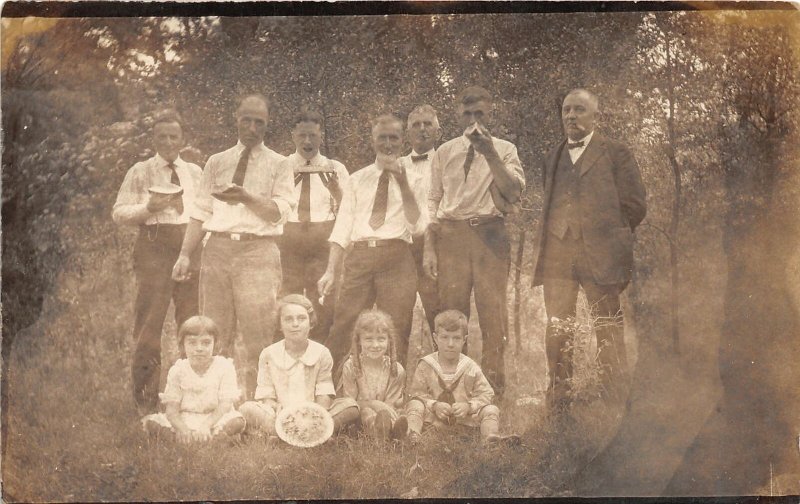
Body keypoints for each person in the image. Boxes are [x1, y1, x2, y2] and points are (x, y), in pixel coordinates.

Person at [171, 94, 294, 399]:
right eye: (246, 120)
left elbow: (278, 212)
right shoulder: (217, 161)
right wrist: (185, 254)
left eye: (259, 122)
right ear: (235, 117)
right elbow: (200, 212)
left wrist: (246, 197)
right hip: (218, 251)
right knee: (213, 331)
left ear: (268, 124)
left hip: (258, 252)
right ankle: (215, 404)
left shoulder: (279, 164)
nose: (252, 128)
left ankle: (259, 404)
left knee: (258, 335)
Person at [531, 88, 646, 408]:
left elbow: (635, 205)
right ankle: (558, 398)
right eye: (566, 110)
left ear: (596, 116)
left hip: (601, 254)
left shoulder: (615, 152)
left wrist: (608, 236)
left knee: (607, 323)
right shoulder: (552, 157)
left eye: (579, 110)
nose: (571, 116)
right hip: (558, 254)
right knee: (557, 326)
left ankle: (611, 395)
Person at [424, 86, 525, 397]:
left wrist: (489, 152)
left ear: (489, 113)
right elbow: (433, 200)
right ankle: (452, 387)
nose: (472, 119)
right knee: (451, 315)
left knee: (493, 313)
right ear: (458, 115)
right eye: (467, 114)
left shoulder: (505, 149)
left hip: (489, 234)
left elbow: (514, 191)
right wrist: (429, 246)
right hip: (451, 237)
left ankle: (492, 391)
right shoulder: (444, 152)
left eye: (479, 113)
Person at [318, 114, 427, 377]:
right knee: (345, 323)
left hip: (397, 257)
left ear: (402, 141)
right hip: (361, 256)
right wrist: (331, 270)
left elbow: (418, 226)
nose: (388, 144)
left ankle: (393, 394)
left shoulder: (415, 179)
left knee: (397, 326)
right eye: (382, 138)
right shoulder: (357, 179)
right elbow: (342, 228)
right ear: (372, 140)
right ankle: (332, 390)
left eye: (393, 138)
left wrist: (401, 182)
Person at [112, 109, 202, 415]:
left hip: (189, 246)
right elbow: (119, 212)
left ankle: (189, 397)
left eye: (173, 136)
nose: (167, 142)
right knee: (150, 324)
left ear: (183, 139)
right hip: (153, 246)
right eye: (161, 136)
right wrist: (147, 208)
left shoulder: (195, 172)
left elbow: (204, 212)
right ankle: (146, 403)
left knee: (192, 323)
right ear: (153, 138)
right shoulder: (140, 171)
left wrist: (195, 248)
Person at [239, 295, 359, 438]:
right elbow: (267, 395)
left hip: (312, 414)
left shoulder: (321, 353)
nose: (295, 324)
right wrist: (277, 409)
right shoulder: (269, 354)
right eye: (288, 319)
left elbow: (324, 393)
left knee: (351, 407)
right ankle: (291, 434)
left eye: (301, 318)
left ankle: (285, 436)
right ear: (280, 325)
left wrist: (313, 415)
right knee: (246, 409)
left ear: (311, 323)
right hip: (280, 415)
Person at [278, 111, 349, 342]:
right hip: (289, 241)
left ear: (321, 136)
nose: (307, 141)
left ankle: (320, 356)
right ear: (293, 136)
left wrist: (337, 192)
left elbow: (349, 210)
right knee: (289, 302)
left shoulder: (335, 168)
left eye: (312, 135)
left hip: (322, 242)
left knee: (324, 303)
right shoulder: (281, 166)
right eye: (302, 135)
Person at [405, 310, 519, 446]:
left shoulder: (470, 366)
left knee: (491, 409)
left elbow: (486, 393)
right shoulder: (426, 365)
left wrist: (469, 406)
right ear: (435, 338)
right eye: (445, 337)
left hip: (465, 422)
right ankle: (413, 437)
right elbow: (416, 394)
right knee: (415, 404)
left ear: (464, 340)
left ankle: (490, 440)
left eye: (456, 338)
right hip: (432, 422)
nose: (450, 343)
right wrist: (434, 405)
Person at [141, 316, 245, 443]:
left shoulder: (224, 367)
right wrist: (182, 428)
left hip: (215, 417)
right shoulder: (178, 370)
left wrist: (206, 425)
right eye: (192, 342)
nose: (199, 348)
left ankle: (212, 438)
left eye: (206, 343)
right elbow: (172, 409)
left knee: (236, 421)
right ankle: (188, 438)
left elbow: (225, 405)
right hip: (186, 418)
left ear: (215, 343)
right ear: (182, 345)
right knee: (152, 423)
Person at [400, 105, 442, 338]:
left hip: (435, 247)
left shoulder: (447, 162)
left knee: (440, 316)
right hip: (402, 248)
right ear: (408, 133)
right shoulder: (398, 166)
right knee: (398, 317)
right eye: (416, 125)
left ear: (439, 131)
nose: (422, 129)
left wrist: (431, 245)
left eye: (428, 124)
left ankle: (447, 373)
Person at [340, 309, 408, 440]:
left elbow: (390, 404)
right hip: (359, 416)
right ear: (359, 341)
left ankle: (393, 431)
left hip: (388, 413)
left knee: (399, 414)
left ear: (389, 341)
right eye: (369, 339)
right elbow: (350, 403)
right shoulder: (351, 366)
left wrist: (384, 411)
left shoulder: (396, 370)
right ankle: (377, 431)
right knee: (367, 412)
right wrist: (373, 404)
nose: (375, 345)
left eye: (381, 339)